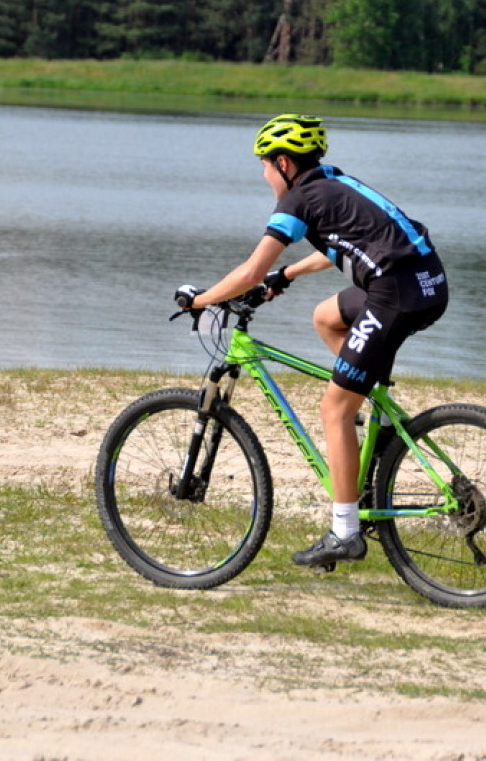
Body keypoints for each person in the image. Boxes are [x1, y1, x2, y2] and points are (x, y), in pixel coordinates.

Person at [176, 113, 448, 568]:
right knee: (326, 317)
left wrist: (201, 300)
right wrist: (288, 275)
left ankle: (344, 532)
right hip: (423, 282)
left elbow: (249, 272)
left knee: (332, 408)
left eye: (264, 165)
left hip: (395, 295)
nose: (264, 175)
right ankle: (370, 423)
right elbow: (339, 246)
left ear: (283, 163)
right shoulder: (333, 183)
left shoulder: (297, 201)